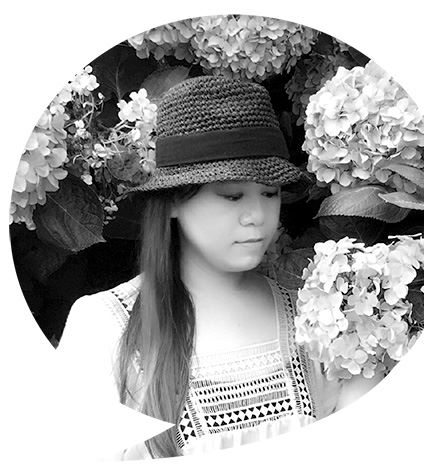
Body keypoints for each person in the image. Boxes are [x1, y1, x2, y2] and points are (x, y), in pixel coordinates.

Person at [59, 75, 379, 459]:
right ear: (173, 202)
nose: (256, 215)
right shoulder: (106, 326)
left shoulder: (311, 319)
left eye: (270, 193)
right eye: (231, 195)